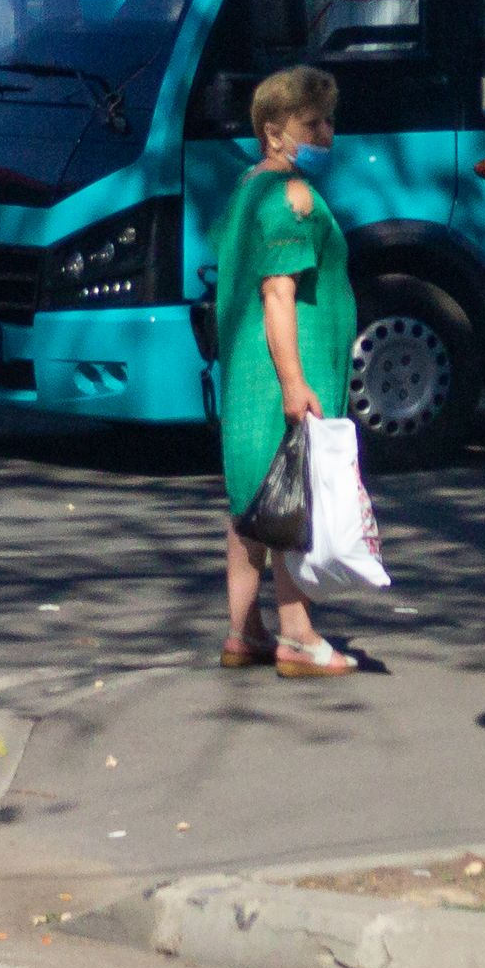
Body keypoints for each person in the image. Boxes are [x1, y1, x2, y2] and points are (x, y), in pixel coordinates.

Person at [211, 64, 358, 679]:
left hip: (247, 383)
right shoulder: (288, 201)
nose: (326, 134)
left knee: (254, 505)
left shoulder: (252, 185)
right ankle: (297, 638)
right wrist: (295, 384)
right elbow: (278, 293)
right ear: (274, 131)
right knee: (291, 508)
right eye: (310, 124)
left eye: (328, 122)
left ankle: (243, 631)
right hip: (279, 380)